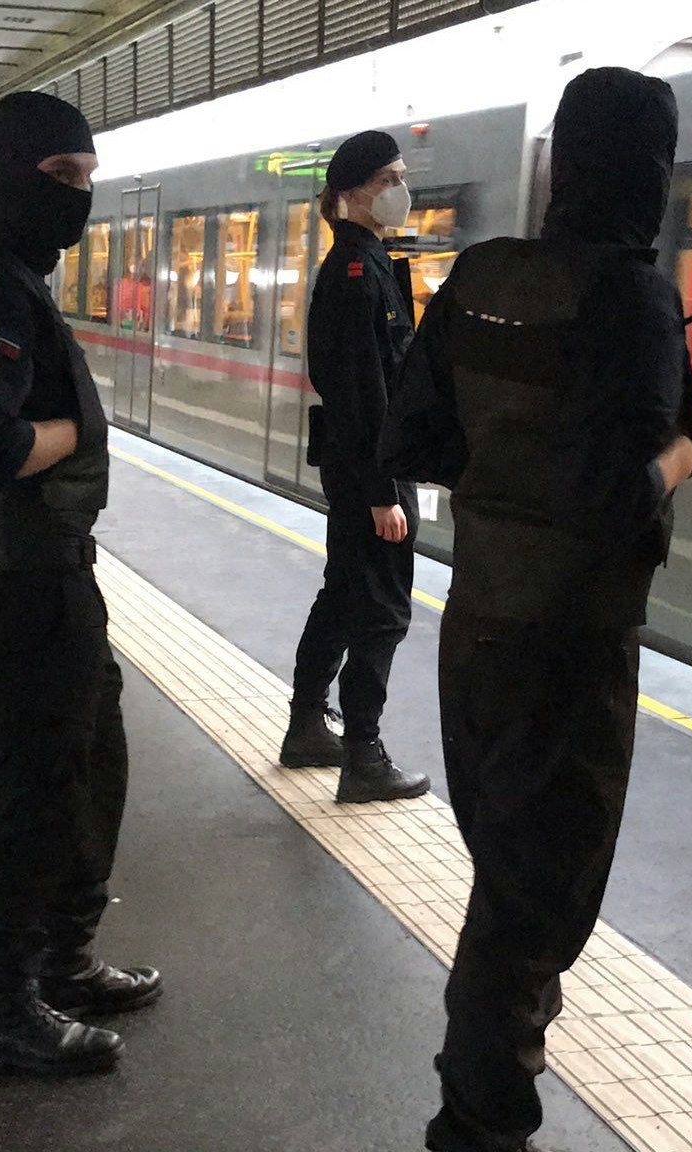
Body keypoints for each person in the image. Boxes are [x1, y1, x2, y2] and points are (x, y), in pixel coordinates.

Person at [378, 68, 692, 1152]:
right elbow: (620, 493)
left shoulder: (477, 276)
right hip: (574, 646)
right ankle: (478, 1123)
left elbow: (416, 444)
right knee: (534, 904)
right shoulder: (637, 298)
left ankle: (478, 1103)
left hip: (477, 626)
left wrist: (512, 459)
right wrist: (675, 461)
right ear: (651, 167)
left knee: (505, 878)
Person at [0, 91, 160, 1077]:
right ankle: (3, 1006)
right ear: (17, 174)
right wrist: (84, 435)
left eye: (86, 180)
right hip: (18, 578)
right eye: (64, 178)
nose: (80, 197)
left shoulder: (14, 274)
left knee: (87, 759)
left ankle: (61, 958)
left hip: (48, 569)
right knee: (29, 785)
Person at [277, 129, 430, 804]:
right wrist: (381, 493)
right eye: (390, 176)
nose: (400, 188)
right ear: (353, 191)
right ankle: (364, 756)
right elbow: (363, 393)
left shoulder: (364, 264)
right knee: (381, 610)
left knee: (345, 594)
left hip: (364, 465)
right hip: (374, 469)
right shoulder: (357, 274)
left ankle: (308, 725)